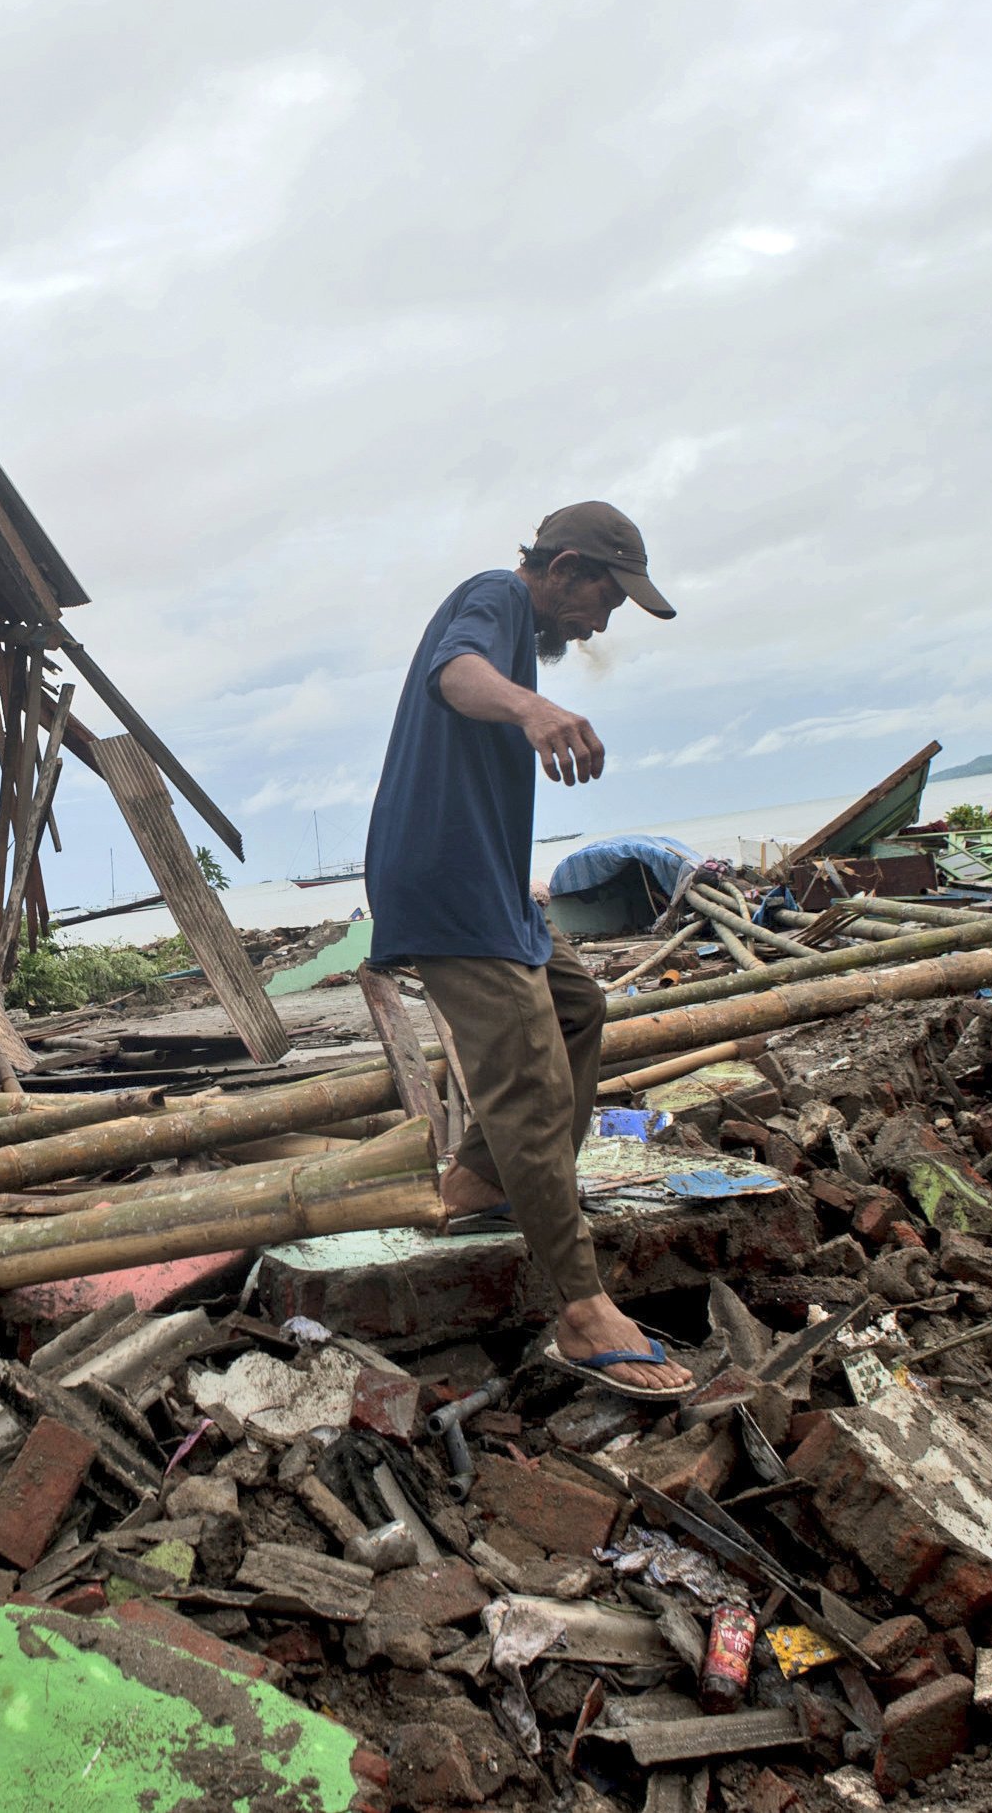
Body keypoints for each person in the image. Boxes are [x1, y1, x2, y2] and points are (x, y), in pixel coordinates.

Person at [363, 502, 692, 1397]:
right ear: (567, 567)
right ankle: (583, 1309)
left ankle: (483, 1180)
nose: (595, 625)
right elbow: (453, 675)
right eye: (600, 603)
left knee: (580, 1008)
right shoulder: (495, 601)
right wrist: (535, 710)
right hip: (448, 882)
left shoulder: (517, 618)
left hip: (496, 887)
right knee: (530, 1077)